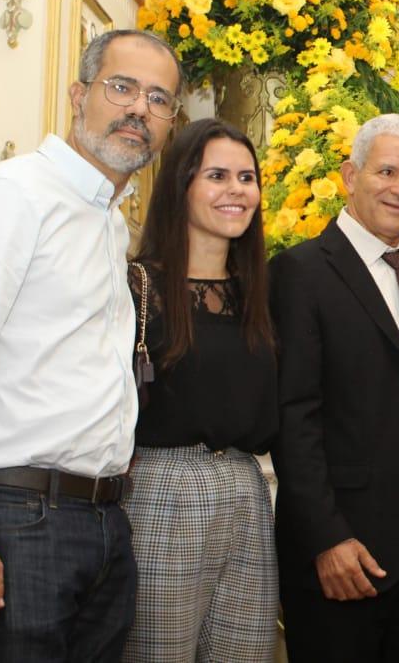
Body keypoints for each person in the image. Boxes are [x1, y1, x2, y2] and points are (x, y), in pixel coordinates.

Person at [0, 29, 179, 660]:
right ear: (79, 95)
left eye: (159, 98)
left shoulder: (109, 222)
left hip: (103, 519)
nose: (140, 108)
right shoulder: (12, 196)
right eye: (123, 87)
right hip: (15, 518)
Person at [268, 114, 399, 661]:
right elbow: (293, 415)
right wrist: (325, 537)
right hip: (346, 550)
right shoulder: (300, 272)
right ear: (350, 175)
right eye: (388, 171)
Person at [121, 119, 279, 662]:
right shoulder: (137, 287)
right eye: (217, 175)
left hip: (247, 487)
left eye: (246, 177)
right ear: (181, 184)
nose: (237, 190)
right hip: (164, 489)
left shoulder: (261, 294)